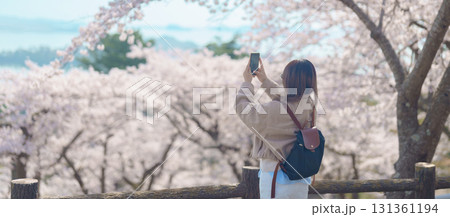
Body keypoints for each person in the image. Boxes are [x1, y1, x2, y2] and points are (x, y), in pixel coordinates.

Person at [235, 57, 318, 199]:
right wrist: (264, 81)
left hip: (275, 178)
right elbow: (288, 100)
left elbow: (243, 109)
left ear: (288, 80)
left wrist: (247, 83)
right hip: (300, 177)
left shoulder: (274, 109)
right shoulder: (309, 104)